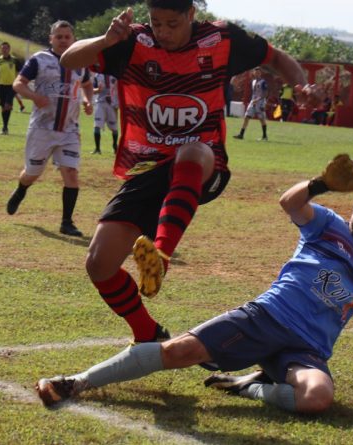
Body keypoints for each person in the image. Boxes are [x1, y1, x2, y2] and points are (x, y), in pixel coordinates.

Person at [36, 155, 353, 413]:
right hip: (265, 317)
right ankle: (76, 382)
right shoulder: (327, 226)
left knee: (319, 397)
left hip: (306, 350)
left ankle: (250, 386)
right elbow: (290, 202)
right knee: (181, 351)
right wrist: (321, 183)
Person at [59, 0, 308, 343]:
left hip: (203, 162)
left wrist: (299, 86)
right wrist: (105, 40)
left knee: (191, 151)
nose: (163, 32)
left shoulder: (221, 39)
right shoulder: (133, 42)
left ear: (192, 14)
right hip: (147, 165)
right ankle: (148, 334)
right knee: (99, 264)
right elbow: (69, 59)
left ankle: (161, 256)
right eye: (156, 23)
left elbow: (276, 57)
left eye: (172, 24)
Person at [5, 21, 94, 237]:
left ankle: (67, 222)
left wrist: (87, 100)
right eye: (59, 37)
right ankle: (21, 188)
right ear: (51, 39)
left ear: (73, 39)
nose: (63, 40)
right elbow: (18, 83)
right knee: (32, 173)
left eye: (67, 37)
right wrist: (35, 97)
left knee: (71, 174)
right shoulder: (40, 60)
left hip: (69, 130)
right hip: (42, 129)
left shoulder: (81, 62)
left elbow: (87, 84)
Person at [0, 42, 20, 135]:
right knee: (3, 108)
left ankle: (4, 127)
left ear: (9, 49)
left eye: (6, 48)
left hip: (11, 86)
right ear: (1, 49)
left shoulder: (14, 60)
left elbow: (21, 72)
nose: (4, 50)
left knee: (8, 105)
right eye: (3, 48)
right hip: (1, 86)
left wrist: (20, 82)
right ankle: (5, 127)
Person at [234, 67, 269, 141]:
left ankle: (265, 136)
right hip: (253, 102)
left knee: (261, 119)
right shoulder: (253, 81)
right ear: (253, 73)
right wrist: (253, 100)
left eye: (259, 72)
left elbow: (265, 93)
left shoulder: (263, 82)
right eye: (256, 72)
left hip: (260, 102)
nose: (257, 73)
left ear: (260, 73)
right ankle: (241, 134)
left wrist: (258, 99)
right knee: (246, 117)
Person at [91, 72, 119, 154]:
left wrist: (117, 103)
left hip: (112, 104)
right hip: (100, 103)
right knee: (97, 125)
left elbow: (119, 89)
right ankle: (97, 149)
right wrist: (98, 90)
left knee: (114, 127)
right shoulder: (97, 76)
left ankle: (115, 146)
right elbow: (91, 89)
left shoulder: (115, 75)